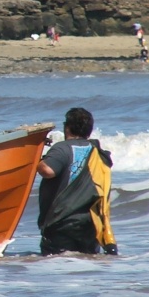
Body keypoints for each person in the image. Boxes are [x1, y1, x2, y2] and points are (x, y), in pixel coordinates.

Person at [37, 107, 118, 256]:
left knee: (57, 265)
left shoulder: (62, 148)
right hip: (90, 226)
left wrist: (36, 157)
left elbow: (47, 171)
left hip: (62, 224)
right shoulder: (98, 153)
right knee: (87, 265)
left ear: (67, 127)